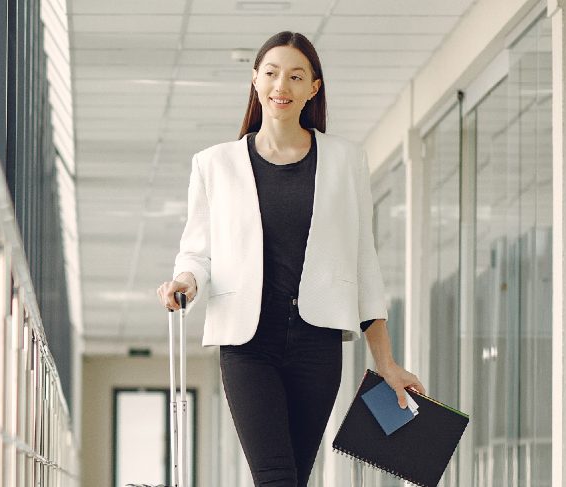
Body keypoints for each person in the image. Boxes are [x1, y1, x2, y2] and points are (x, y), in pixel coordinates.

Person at [155, 31, 425, 487]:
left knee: (296, 476)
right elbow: (197, 250)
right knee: (276, 475)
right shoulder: (214, 164)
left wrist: (386, 361)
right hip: (247, 343)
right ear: (255, 80)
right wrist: (185, 281)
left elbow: (363, 263)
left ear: (313, 88)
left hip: (316, 345)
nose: (282, 85)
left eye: (296, 76)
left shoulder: (345, 160)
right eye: (272, 73)